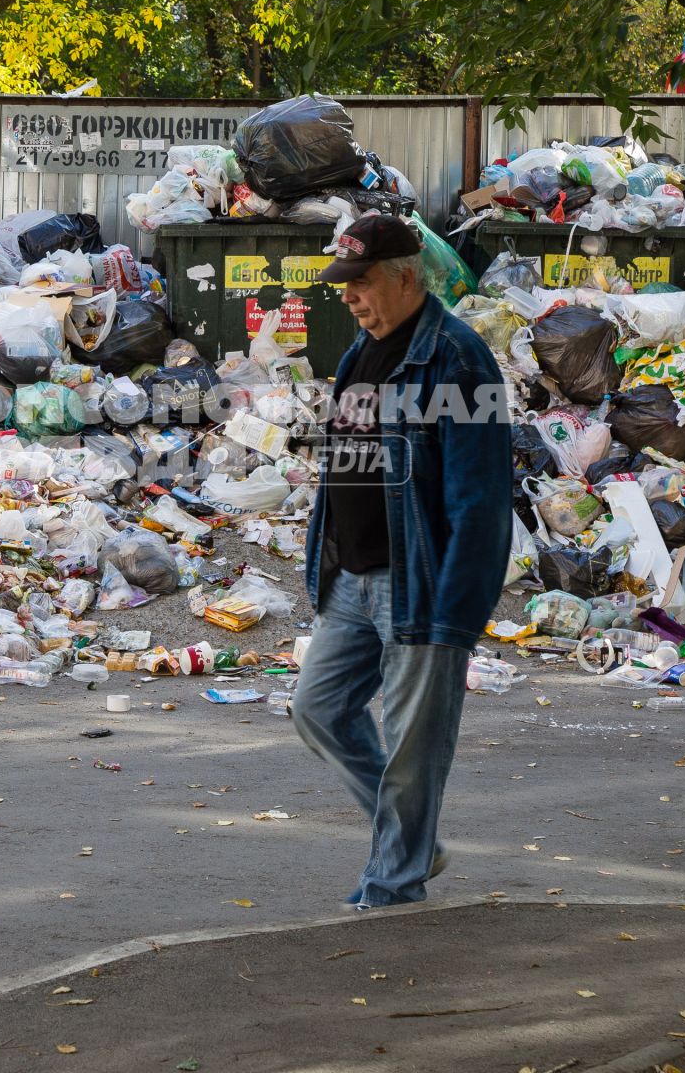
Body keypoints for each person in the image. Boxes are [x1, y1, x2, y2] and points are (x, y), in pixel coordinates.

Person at [293, 214, 513, 909]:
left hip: (421, 586)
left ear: (405, 276)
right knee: (318, 710)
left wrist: (458, 611)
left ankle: (392, 890)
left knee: (414, 750)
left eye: (360, 283)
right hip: (352, 580)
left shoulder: (459, 358)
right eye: (344, 285)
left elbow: (481, 502)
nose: (349, 297)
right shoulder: (364, 348)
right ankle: (414, 838)